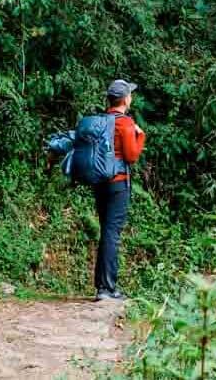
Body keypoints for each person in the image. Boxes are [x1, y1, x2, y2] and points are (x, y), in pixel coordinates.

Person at [93, 78, 145, 301]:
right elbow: (132, 156)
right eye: (130, 95)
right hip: (118, 184)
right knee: (112, 233)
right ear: (125, 99)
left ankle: (102, 286)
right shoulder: (124, 123)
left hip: (99, 183)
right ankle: (107, 288)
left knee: (106, 231)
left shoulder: (102, 120)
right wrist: (140, 135)